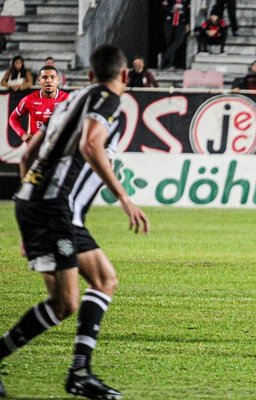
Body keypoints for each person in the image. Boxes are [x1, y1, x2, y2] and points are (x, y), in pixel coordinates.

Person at [0, 44, 150, 399]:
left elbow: (29, 154)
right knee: (65, 302)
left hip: (43, 206)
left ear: (89, 74)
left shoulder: (69, 101)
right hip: (52, 207)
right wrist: (124, 198)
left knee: (104, 280)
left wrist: (28, 211)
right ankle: (78, 372)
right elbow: (91, 144)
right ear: (125, 76)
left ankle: (80, 371)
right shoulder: (107, 99)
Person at [9, 65, 69, 144]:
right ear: (39, 80)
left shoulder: (67, 99)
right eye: (44, 77)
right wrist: (22, 134)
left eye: (52, 77)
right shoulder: (29, 99)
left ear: (58, 80)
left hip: (58, 146)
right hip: (35, 146)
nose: (48, 80)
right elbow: (13, 118)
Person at [159, 0, 190, 69]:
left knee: (179, 40)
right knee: (169, 42)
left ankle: (164, 57)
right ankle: (170, 63)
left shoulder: (186, 1)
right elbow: (163, 6)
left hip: (181, 22)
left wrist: (188, 23)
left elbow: (188, 12)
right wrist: (172, 9)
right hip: (169, 22)